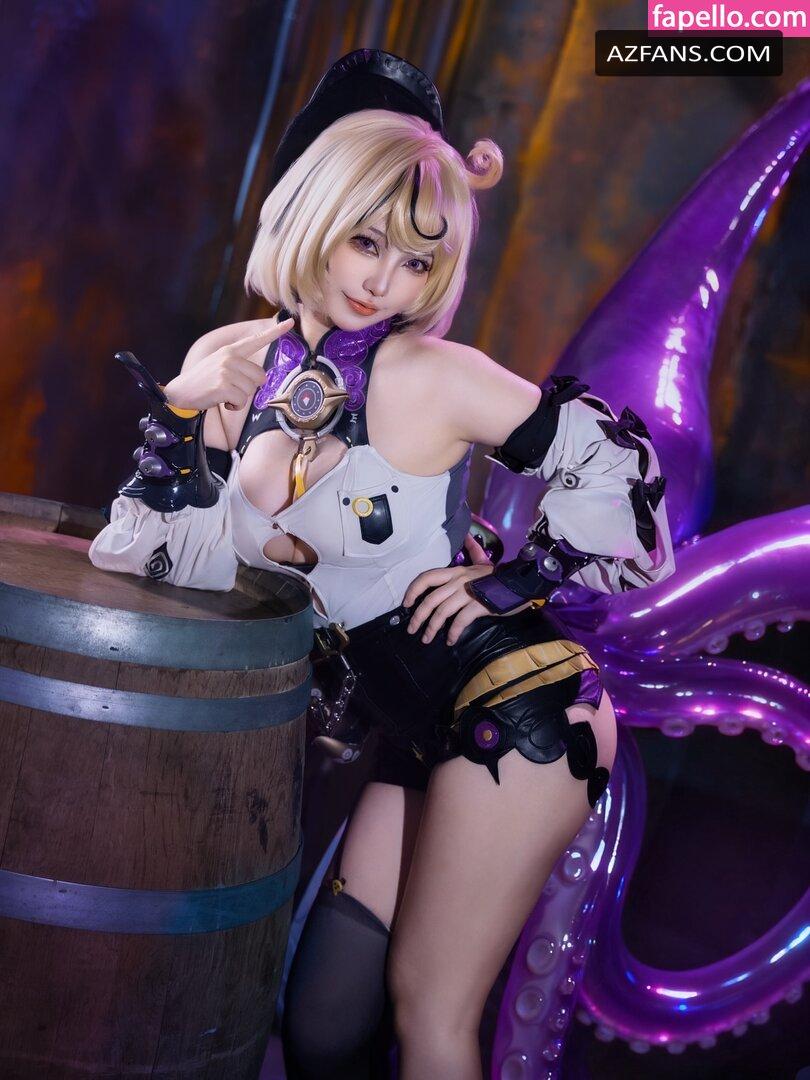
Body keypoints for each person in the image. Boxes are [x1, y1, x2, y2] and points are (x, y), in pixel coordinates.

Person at [89, 49, 675, 1080]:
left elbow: (621, 477)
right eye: (368, 241)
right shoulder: (231, 357)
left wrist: (515, 578)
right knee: (321, 1023)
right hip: (413, 722)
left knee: (432, 1012)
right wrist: (181, 413)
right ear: (315, 213)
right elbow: (157, 560)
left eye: (416, 262)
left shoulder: (433, 374)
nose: (384, 282)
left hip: (520, 708)